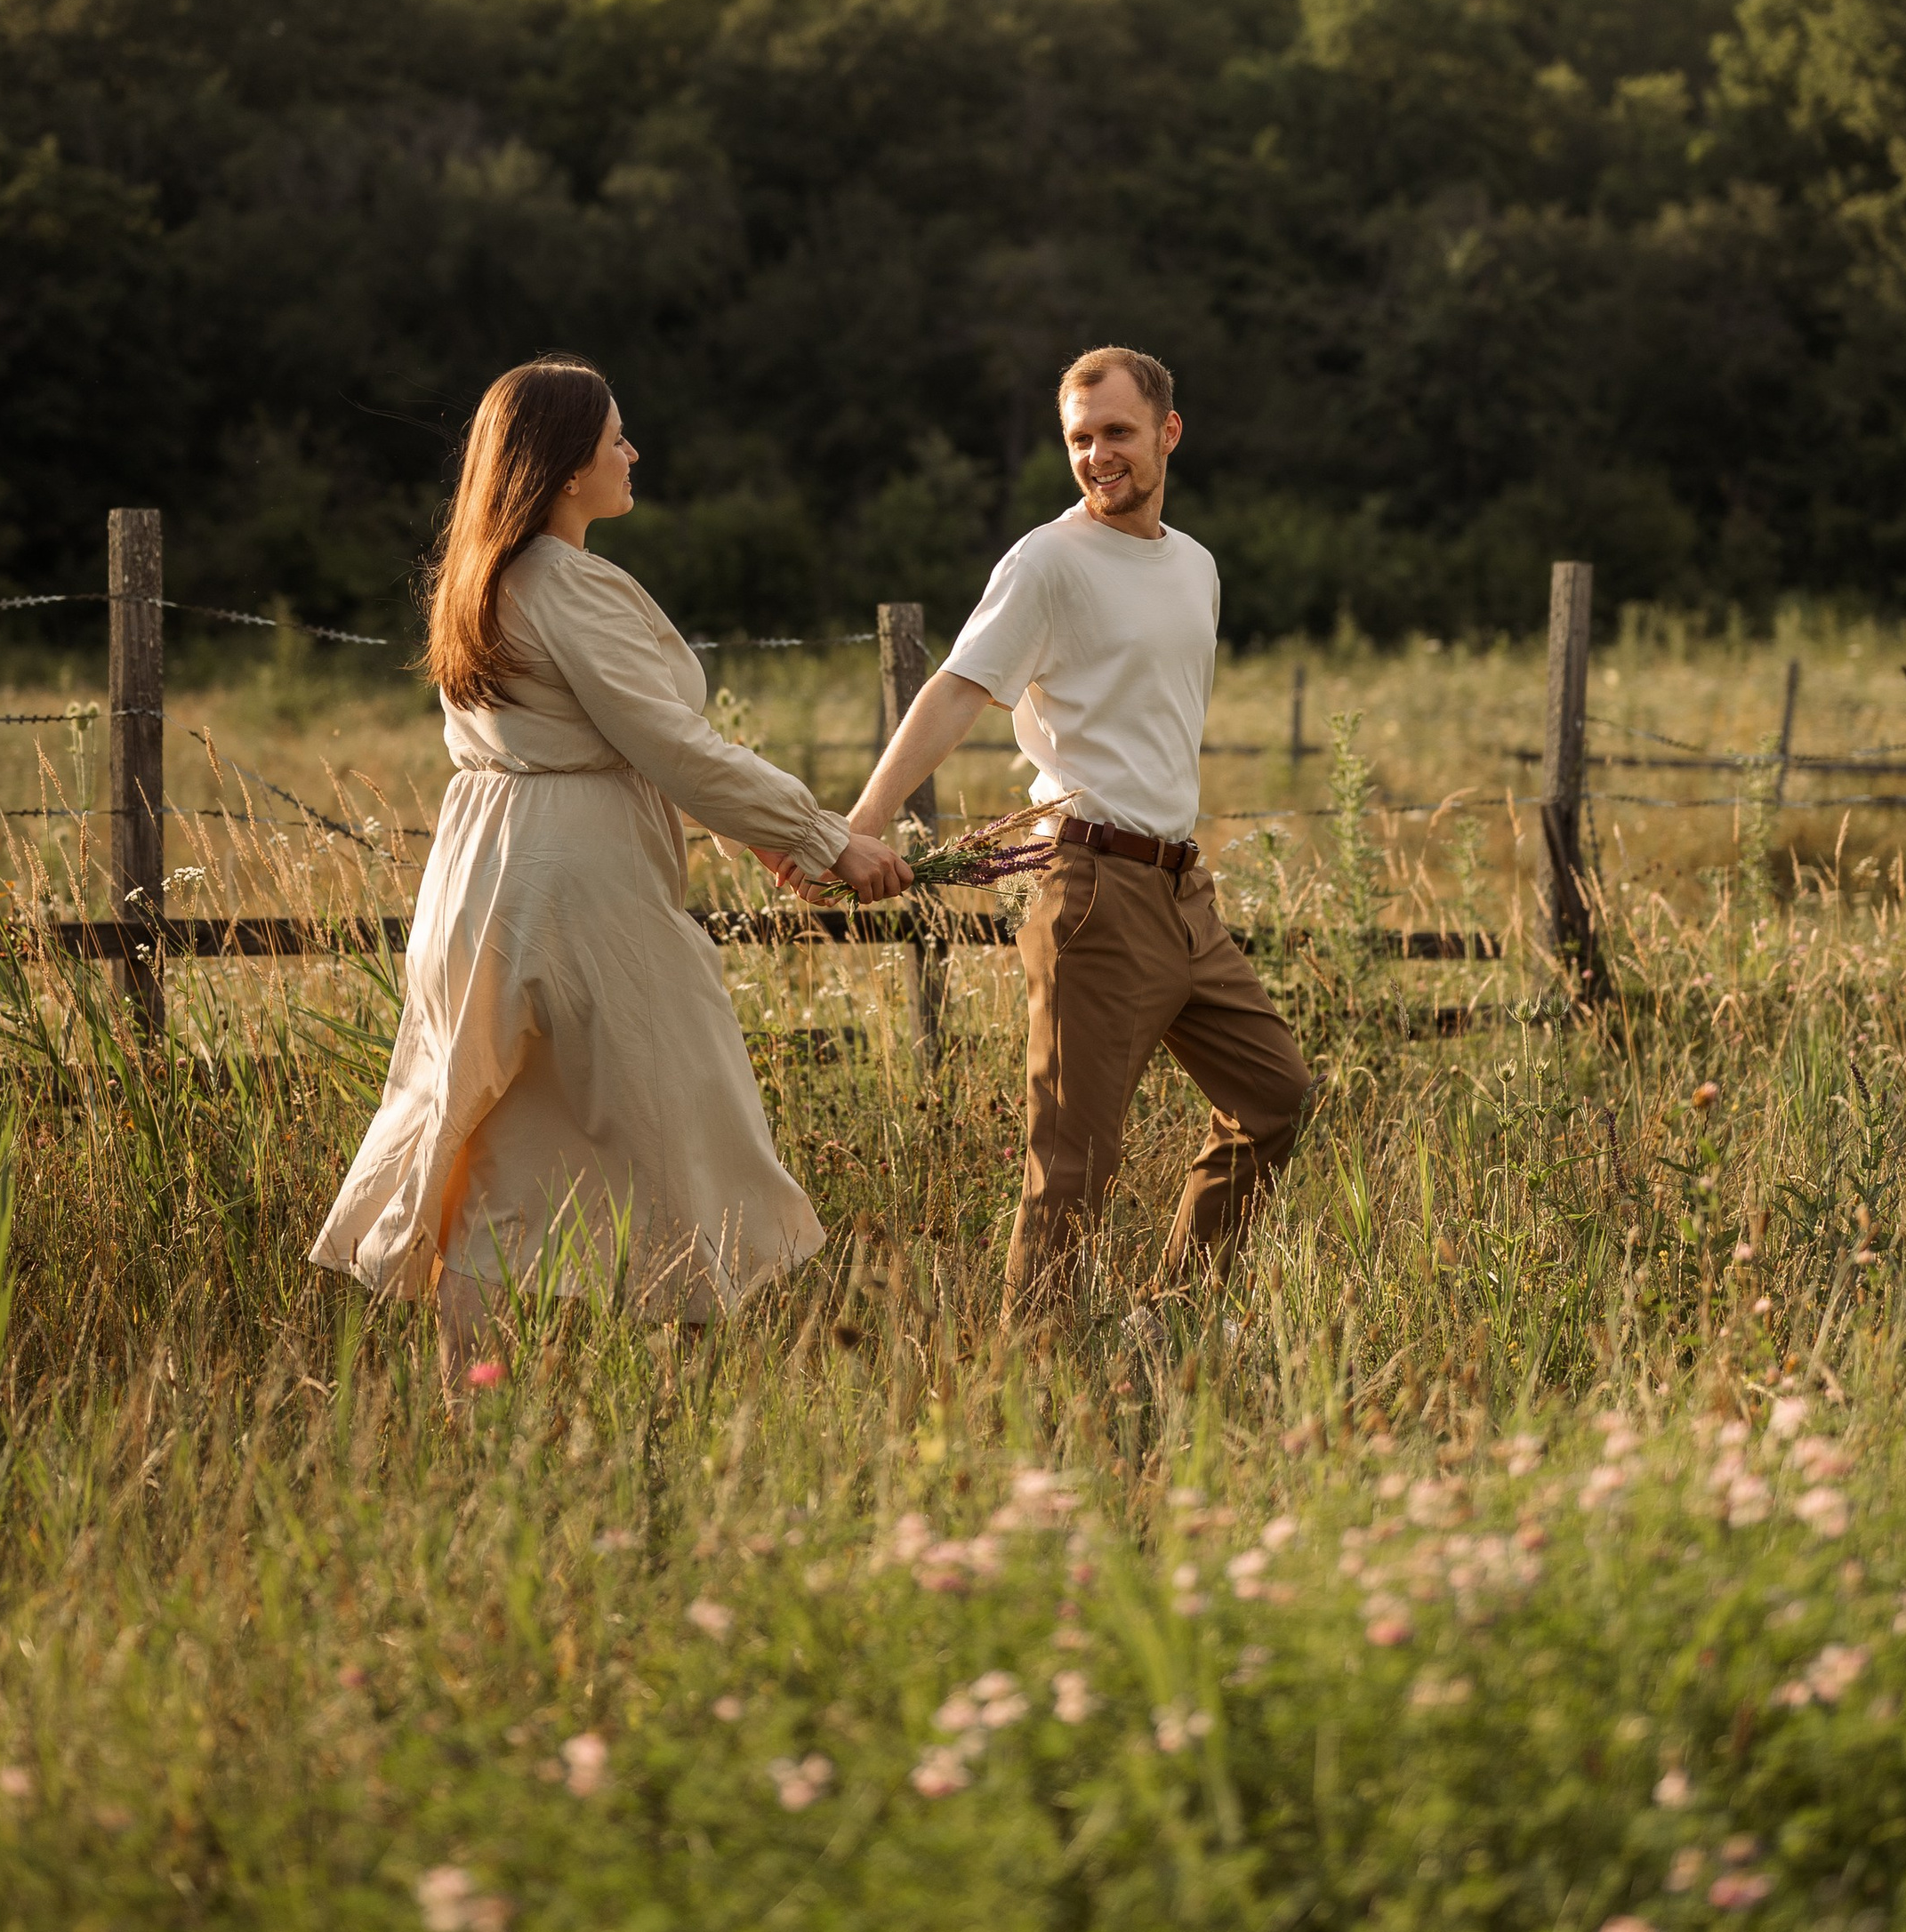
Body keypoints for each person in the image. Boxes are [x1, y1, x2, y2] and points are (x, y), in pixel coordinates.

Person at [311, 358, 912, 1345]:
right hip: (572, 884)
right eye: (614, 439)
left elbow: (627, 742)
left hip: (482, 872)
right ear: (559, 467)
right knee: (671, 1112)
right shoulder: (567, 584)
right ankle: (673, 1358)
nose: (632, 453)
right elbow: (669, 742)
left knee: (501, 1140)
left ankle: (479, 1402)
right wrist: (823, 837)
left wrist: (756, 835)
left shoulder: (486, 576)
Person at [845, 345, 1310, 1316]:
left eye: (1117, 432)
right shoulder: (1048, 560)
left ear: (1168, 432)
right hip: (1094, 887)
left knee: (1273, 1096)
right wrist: (863, 821)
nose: (1098, 455)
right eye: (1079, 438)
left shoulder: (1196, 565)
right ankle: (1036, 1383)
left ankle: (1166, 1314)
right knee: (1073, 1165)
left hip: (1185, 891)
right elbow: (956, 688)